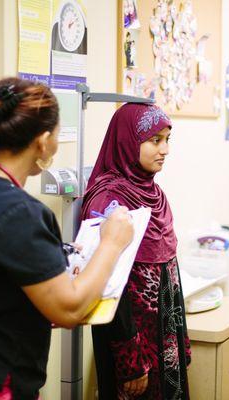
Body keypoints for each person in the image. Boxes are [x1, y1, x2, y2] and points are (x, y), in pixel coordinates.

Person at [0, 77, 134, 400]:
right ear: (43, 142)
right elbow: (69, 310)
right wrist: (112, 243)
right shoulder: (19, 212)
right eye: (57, 137)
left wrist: (53, 278)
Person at [81, 103, 190, 399]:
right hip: (132, 350)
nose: (165, 149)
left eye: (168, 139)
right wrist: (131, 362)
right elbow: (107, 287)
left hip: (165, 339)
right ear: (128, 141)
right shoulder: (109, 200)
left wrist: (179, 340)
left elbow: (170, 272)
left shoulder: (154, 193)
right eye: (155, 140)